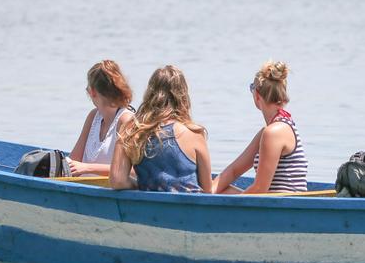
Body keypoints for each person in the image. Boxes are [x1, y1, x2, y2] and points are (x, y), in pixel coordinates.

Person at [212, 60, 309, 195]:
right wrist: (207, 192)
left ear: (257, 95)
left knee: (224, 194)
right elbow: (233, 170)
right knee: (221, 190)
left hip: (283, 208)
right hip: (272, 205)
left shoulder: (274, 132)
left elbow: (259, 189)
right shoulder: (269, 131)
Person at [110, 65, 212, 192]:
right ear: (183, 96)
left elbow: (117, 180)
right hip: (189, 210)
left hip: (148, 208)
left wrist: (140, 186)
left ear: (149, 93)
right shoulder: (194, 132)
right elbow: (208, 190)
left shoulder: (132, 130)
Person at [66, 60, 135, 177]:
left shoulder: (126, 120)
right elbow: (74, 159)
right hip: (84, 189)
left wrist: (87, 168)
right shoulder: (93, 116)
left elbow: (134, 170)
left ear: (92, 92)